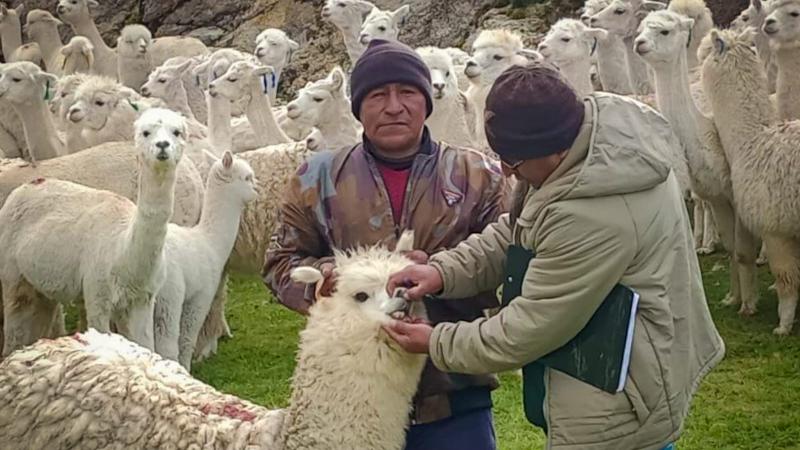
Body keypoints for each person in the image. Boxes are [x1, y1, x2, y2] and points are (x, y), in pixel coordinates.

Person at [384, 63, 725, 449]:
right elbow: (520, 229)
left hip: (618, 398)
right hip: (608, 369)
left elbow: (528, 327)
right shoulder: (586, 149)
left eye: (513, 163)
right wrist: (441, 271)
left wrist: (435, 342)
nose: (508, 173)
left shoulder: (592, 212)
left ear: (556, 149)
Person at [262, 38, 511, 450]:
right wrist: (326, 282)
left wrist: (440, 271)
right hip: (352, 396)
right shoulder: (317, 177)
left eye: (407, 92)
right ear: (358, 107)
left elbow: (506, 267)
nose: (394, 106)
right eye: (378, 95)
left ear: (426, 100)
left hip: (453, 393)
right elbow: (280, 262)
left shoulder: (477, 174)